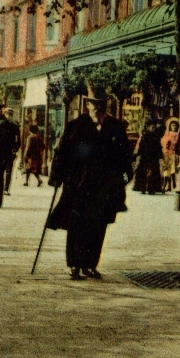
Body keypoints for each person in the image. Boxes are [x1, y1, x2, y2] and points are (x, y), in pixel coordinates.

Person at [48, 86, 134, 279]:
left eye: (100, 105)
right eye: (93, 104)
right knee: (76, 225)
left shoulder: (116, 127)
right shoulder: (76, 126)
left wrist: (122, 181)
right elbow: (61, 152)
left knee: (98, 226)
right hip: (78, 185)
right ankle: (74, 265)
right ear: (87, 106)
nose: (96, 108)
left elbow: (125, 159)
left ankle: (90, 264)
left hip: (104, 188)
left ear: (105, 106)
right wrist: (56, 176)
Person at [132, 118, 166, 194]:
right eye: (152, 127)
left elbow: (158, 146)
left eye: (154, 127)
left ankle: (153, 188)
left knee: (154, 172)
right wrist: (139, 153)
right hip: (145, 155)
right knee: (142, 171)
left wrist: (160, 155)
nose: (153, 129)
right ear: (148, 127)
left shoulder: (156, 136)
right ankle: (142, 187)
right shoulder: (145, 136)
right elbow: (142, 146)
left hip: (153, 156)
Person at [160, 117, 180, 192]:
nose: (174, 127)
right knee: (166, 170)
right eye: (172, 126)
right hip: (166, 153)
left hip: (172, 153)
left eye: (175, 126)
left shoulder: (176, 134)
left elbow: (175, 142)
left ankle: (172, 183)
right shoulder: (167, 133)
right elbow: (163, 141)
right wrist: (166, 142)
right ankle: (165, 185)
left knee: (172, 170)